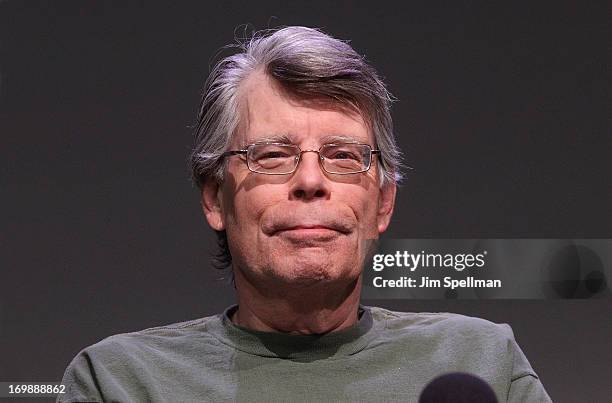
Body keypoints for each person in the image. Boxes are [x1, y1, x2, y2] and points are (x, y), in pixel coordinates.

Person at [59, 26, 552, 402]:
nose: (311, 181)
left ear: (383, 203)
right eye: (272, 155)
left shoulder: (480, 363)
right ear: (214, 197)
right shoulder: (121, 383)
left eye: (343, 157)